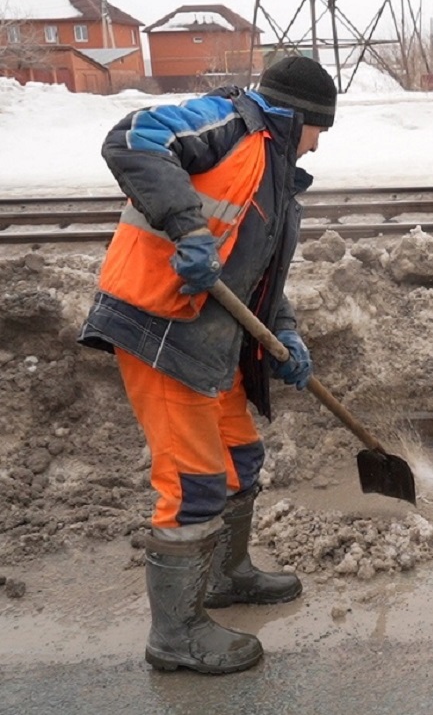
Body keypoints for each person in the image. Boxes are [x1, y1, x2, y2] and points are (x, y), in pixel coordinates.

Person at [78, 55, 337, 673]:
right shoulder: (228, 122)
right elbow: (133, 137)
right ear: (298, 116)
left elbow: (257, 276)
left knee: (240, 457)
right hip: (160, 325)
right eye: (320, 129)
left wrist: (287, 337)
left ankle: (225, 576)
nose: (319, 145)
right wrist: (188, 230)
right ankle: (176, 634)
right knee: (194, 480)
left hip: (209, 340)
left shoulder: (277, 178)